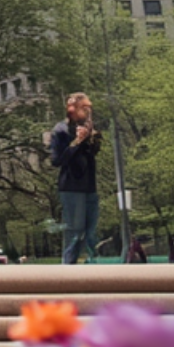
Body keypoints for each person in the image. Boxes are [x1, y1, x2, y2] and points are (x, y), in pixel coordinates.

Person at [50, 93, 102, 265]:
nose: (88, 111)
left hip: (89, 185)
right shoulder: (60, 131)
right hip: (71, 186)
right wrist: (76, 142)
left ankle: (91, 265)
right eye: (84, 108)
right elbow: (57, 160)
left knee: (90, 230)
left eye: (89, 108)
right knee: (74, 231)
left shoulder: (89, 128)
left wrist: (91, 139)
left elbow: (94, 152)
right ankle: (68, 267)